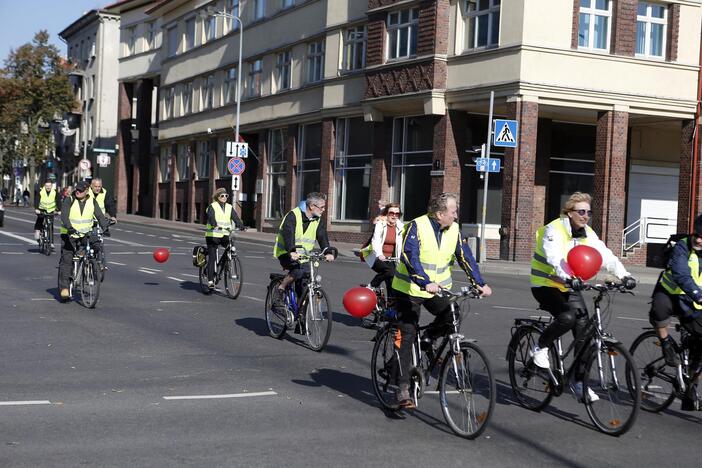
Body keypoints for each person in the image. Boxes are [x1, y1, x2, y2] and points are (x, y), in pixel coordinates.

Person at [530, 192, 636, 402]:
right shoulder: (554, 229)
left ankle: (578, 382)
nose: (586, 216)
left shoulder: (587, 233)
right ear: (569, 213)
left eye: (588, 212)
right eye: (581, 211)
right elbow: (555, 257)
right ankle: (539, 347)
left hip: (570, 285)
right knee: (567, 318)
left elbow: (606, 255)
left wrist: (625, 276)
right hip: (545, 284)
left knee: (585, 333)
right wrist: (569, 277)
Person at [392, 192, 492, 408]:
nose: (456, 215)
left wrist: (479, 283)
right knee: (407, 334)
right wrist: (423, 281)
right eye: (453, 211)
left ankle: (428, 337)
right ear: (440, 214)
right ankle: (402, 389)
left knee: (452, 314)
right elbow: (411, 257)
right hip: (409, 289)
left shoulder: (454, 229)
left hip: (437, 291)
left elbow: (464, 256)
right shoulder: (416, 226)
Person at [649, 215, 702, 401]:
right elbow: (681, 273)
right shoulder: (682, 246)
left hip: (692, 302)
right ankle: (665, 344)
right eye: (697, 234)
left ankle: (691, 384)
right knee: (659, 311)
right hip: (670, 293)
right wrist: (697, 293)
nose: (698, 239)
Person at [271, 192, 337, 312]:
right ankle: (281, 288)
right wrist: (292, 251)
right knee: (298, 271)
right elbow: (288, 234)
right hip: (286, 253)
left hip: (304, 256)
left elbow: (322, 236)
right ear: (312, 206)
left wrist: (327, 252)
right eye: (322, 207)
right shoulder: (293, 215)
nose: (323, 210)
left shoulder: (318, 220)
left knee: (305, 284)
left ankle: (301, 320)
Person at [57, 181, 109, 301]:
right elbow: (64, 216)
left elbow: (100, 215)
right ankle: (64, 288)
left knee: (97, 245)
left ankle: (92, 265)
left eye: (81, 190)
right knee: (67, 258)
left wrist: (105, 226)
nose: (78, 192)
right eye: (77, 190)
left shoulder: (91, 201)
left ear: (87, 191)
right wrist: (70, 228)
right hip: (69, 234)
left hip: (85, 233)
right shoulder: (69, 200)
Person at [205, 188, 246, 288]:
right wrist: (214, 224)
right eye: (222, 196)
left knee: (230, 248)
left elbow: (235, 217)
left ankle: (225, 264)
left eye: (226, 196)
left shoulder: (229, 207)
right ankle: (210, 281)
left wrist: (241, 226)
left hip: (224, 235)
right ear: (217, 197)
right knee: (213, 258)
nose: (224, 198)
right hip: (213, 235)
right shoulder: (212, 206)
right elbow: (211, 216)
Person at [361, 202, 404, 293]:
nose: (394, 216)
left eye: (397, 214)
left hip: (391, 258)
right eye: (391, 213)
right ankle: (371, 286)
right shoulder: (380, 224)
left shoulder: (400, 227)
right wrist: (379, 254)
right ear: (386, 214)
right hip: (374, 256)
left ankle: (391, 305)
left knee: (392, 282)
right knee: (388, 271)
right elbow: (376, 240)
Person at [34, 180, 60, 248]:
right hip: (41, 209)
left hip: (51, 210)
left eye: (49, 186)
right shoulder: (41, 192)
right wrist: (36, 208)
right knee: (40, 218)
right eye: (47, 186)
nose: (48, 187)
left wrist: (59, 210)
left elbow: (58, 201)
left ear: (51, 186)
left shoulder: (55, 192)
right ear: (44, 186)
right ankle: (37, 231)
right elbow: (37, 200)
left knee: (50, 225)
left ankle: (51, 242)